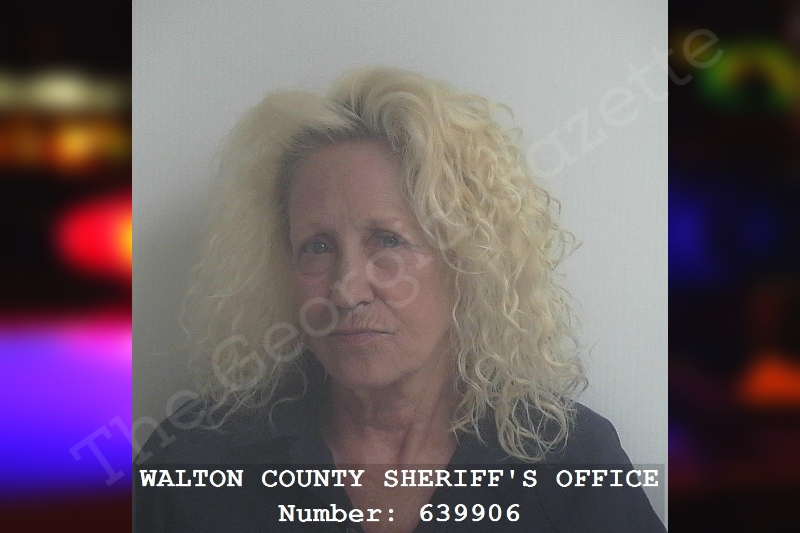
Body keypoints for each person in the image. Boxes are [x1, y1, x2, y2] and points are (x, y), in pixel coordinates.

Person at [134, 66, 666, 532]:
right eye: (317, 246)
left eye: (387, 241)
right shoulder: (195, 462)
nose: (347, 290)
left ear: (468, 258)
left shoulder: (568, 464)